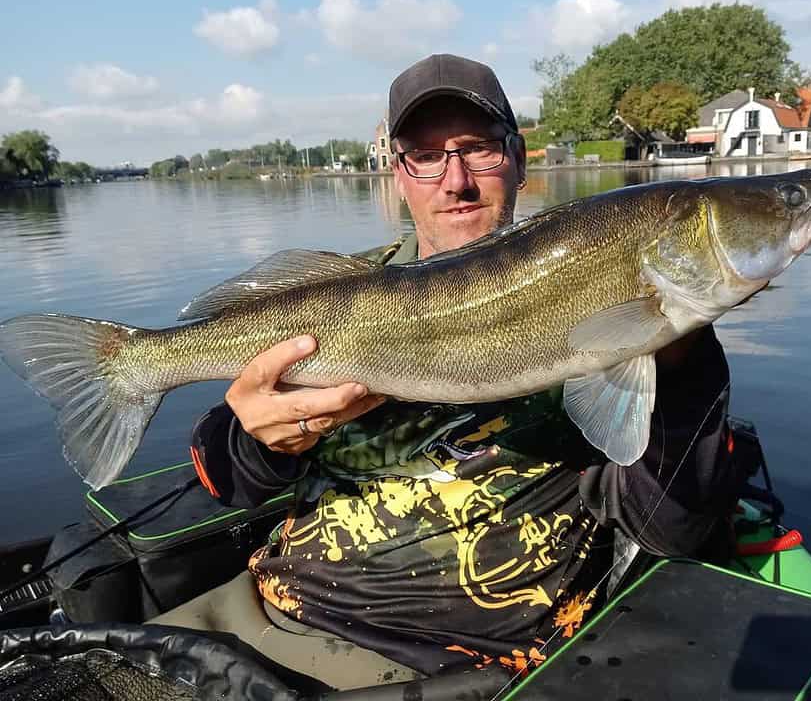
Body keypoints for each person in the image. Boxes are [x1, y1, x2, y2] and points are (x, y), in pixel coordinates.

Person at [154, 54, 741, 691]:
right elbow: (221, 478)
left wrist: (677, 344)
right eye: (425, 156)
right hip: (273, 612)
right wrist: (262, 438)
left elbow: (668, 527)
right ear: (398, 172)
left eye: (478, 149)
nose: (454, 179)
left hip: (460, 665)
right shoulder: (342, 292)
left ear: (517, 159)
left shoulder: (603, 295)